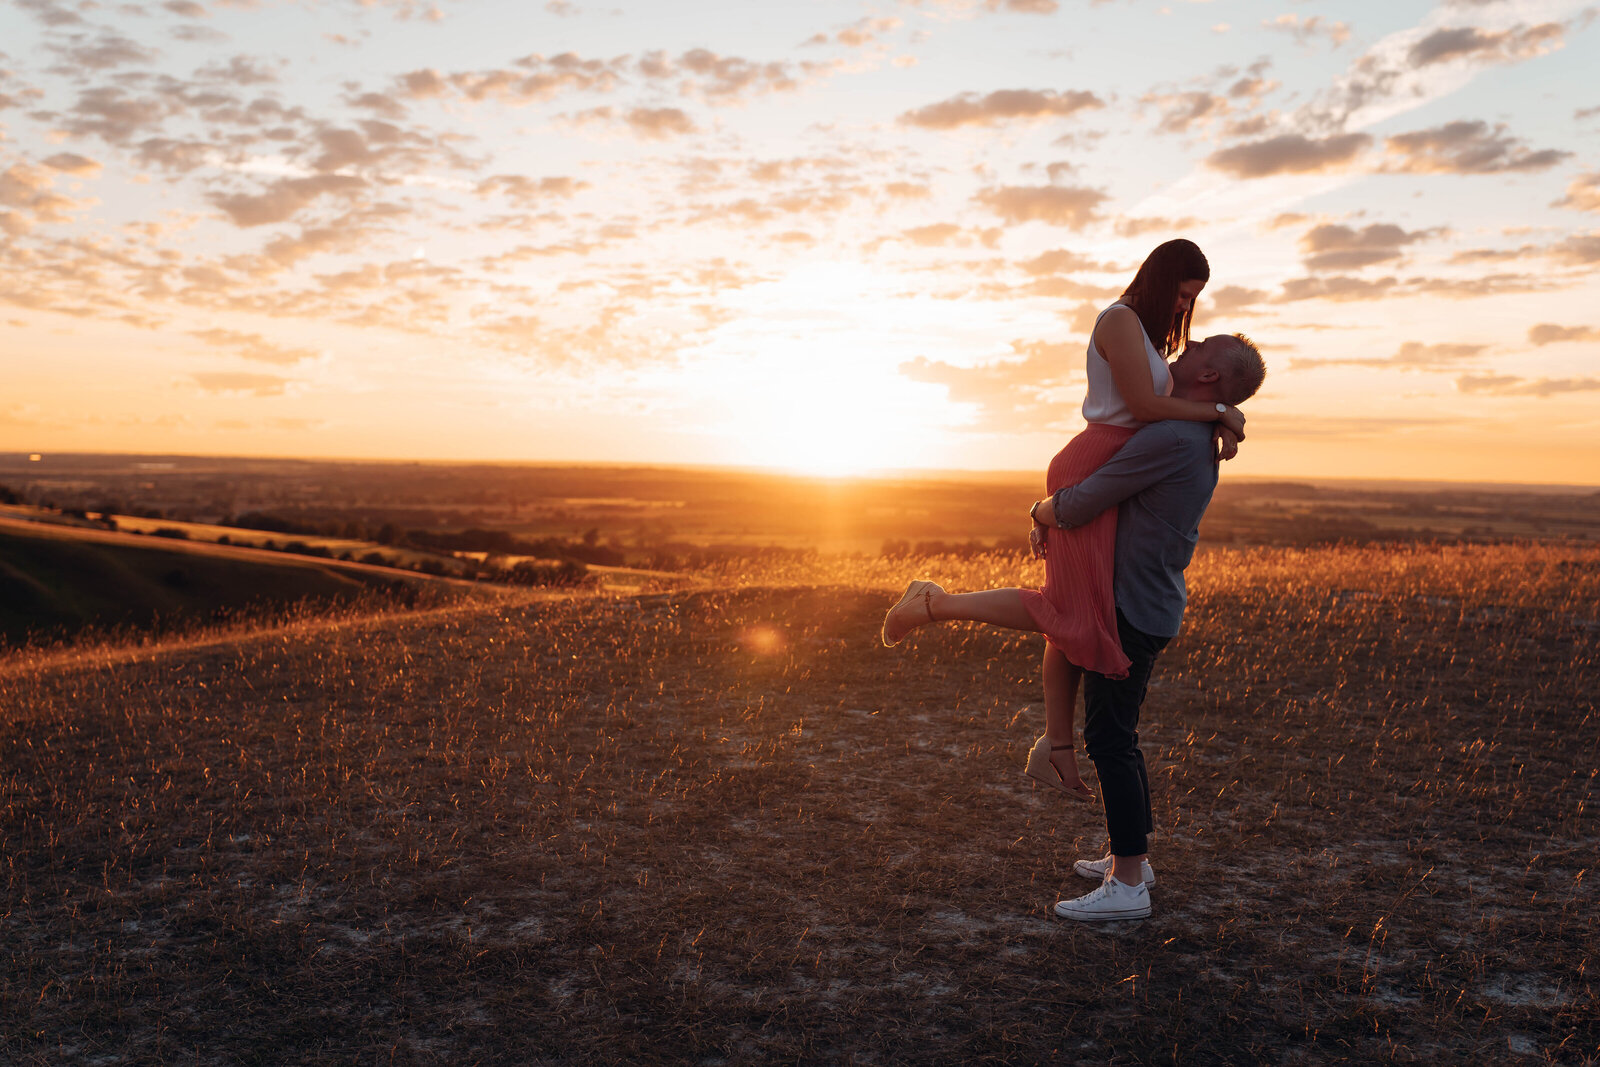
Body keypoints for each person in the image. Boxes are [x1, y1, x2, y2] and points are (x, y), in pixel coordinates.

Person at [885, 332, 1267, 921]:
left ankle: (1129, 885)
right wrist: (1224, 415)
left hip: (1132, 610)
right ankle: (1128, 858)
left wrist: (1043, 512)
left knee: (1113, 741)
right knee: (1114, 723)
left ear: (1210, 376)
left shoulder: (1171, 436)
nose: (1178, 353)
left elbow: (1088, 499)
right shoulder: (1187, 429)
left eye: (1194, 352)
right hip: (1141, 601)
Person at [884, 239, 1246, 805]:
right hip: (1100, 462)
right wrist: (1221, 412)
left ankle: (1052, 748)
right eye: (1181, 294)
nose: (1184, 309)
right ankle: (933, 604)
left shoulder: (1147, 335)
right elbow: (1146, 408)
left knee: (1077, 611)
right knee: (1069, 610)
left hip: (1116, 468)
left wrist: (1222, 416)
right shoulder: (1121, 320)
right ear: (1160, 279)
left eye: (1191, 300)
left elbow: (1166, 404)